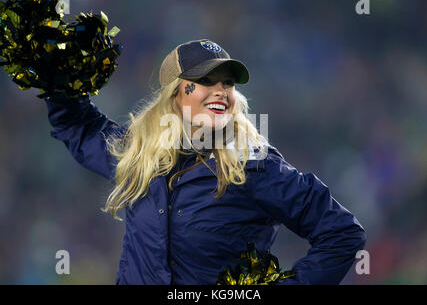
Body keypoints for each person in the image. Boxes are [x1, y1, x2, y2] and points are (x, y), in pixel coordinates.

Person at [44, 39, 366, 285]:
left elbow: (341, 233)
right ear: (175, 94)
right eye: (206, 81)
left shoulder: (253, 167)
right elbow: (79, 126)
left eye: (227, 82)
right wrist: (58, 75)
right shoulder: (141, 156)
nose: (220, 91)